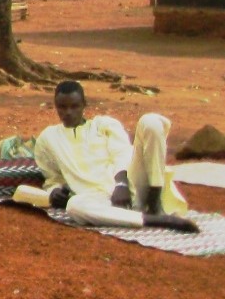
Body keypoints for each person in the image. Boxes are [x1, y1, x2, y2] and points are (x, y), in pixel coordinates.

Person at [16, 81, 199, 232]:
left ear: (84, 105)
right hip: (99, 200)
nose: (68, 112)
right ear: (55, 107)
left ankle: (155, 203)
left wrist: (121, 184)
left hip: (133, 186)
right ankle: (157, 221)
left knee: (151, 121)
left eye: (74, 106)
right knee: (74, 206)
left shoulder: (104, 124)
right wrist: (54, 192)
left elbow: (122, 153)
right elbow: (52, 178)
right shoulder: (48, 138)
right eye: (62, 107)